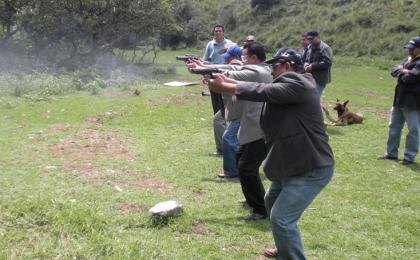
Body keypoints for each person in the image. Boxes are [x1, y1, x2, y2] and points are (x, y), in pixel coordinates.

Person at [207, 49, 335, 259]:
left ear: (288, 65)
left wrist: (228, 85)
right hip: (293, 163)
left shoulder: (300, 83)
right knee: (271, 202)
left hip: (311, 165)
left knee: (281, 218)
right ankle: (284, 246)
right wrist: (226, 83)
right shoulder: (289, 86)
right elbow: (263, 90)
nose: (270, 70)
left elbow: (262, 90)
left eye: (274, 66)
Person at [192, 42, 272, 220]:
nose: (241, 60)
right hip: (253, 127)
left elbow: (229, 72)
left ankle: (260, 209)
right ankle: (254, 197)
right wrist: (204, 67)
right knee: (242, 161)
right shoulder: (257, 70)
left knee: (246, 167)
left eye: (245, 56)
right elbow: (227, 67)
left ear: (253, 57)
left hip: (260, 129)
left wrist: (203, 70)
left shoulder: (257, 72)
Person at [378, 36, 420, 165]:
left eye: (412, 48)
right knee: (394, 127)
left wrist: (402, 71)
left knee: (413, 130)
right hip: (399, 100)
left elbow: (411, 78)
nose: (409, 50)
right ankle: (391, 154)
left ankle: (409, 157)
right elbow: (393, 71)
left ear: (418, 49)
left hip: (413, 102)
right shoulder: (408, 59)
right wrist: (405, 71)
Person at [203, 24, 232, 156]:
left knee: (226, 112)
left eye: (220, 30)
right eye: (215, 31)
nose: (218, 33)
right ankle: (221, 144)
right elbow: (205, 61)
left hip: (227, 80)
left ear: (223, 32)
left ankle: (227, 143)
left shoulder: (230, 44)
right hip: (214, 80)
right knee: (217, 110)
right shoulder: (210, 45)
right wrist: (206, 76)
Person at [304, 30, 333, 96]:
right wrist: (306, 65)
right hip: (310, 78)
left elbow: (328, 62)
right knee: (310, 98)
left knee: (314, 98)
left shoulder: (325, 48)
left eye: (312, 39)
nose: (310, 41)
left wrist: (313, 66)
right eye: (309, 39)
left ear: (317, 37)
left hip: (320, 80)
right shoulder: (310, 47)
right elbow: (306, 59)